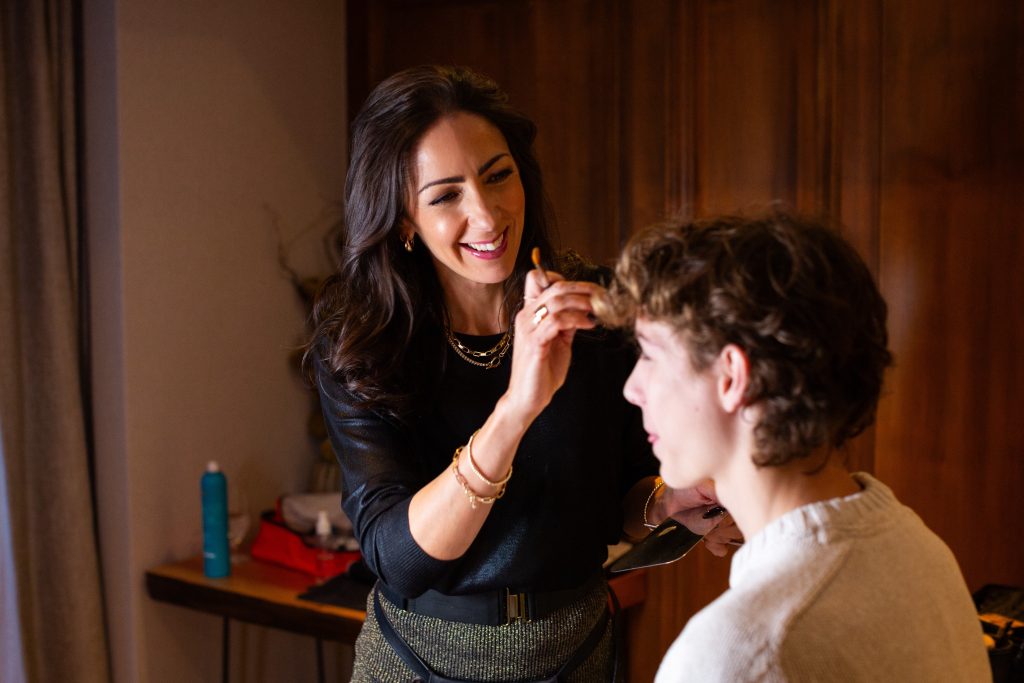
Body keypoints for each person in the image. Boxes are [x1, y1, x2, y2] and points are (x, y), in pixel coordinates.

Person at [304, 65, 738, 682]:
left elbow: (624, 498)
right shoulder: (364, 344)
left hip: (576, 656)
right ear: (403, 220)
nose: (486, 214)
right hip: (419, 663)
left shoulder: (592, 307)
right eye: (446, 195)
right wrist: (517, 407)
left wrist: (670, 503)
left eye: (497, 176)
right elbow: (398, 559)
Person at [596, 211, 992, 681]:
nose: (632, 388)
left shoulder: (735, 654)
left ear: (731, 377)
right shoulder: (921, 549)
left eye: (651, 355)